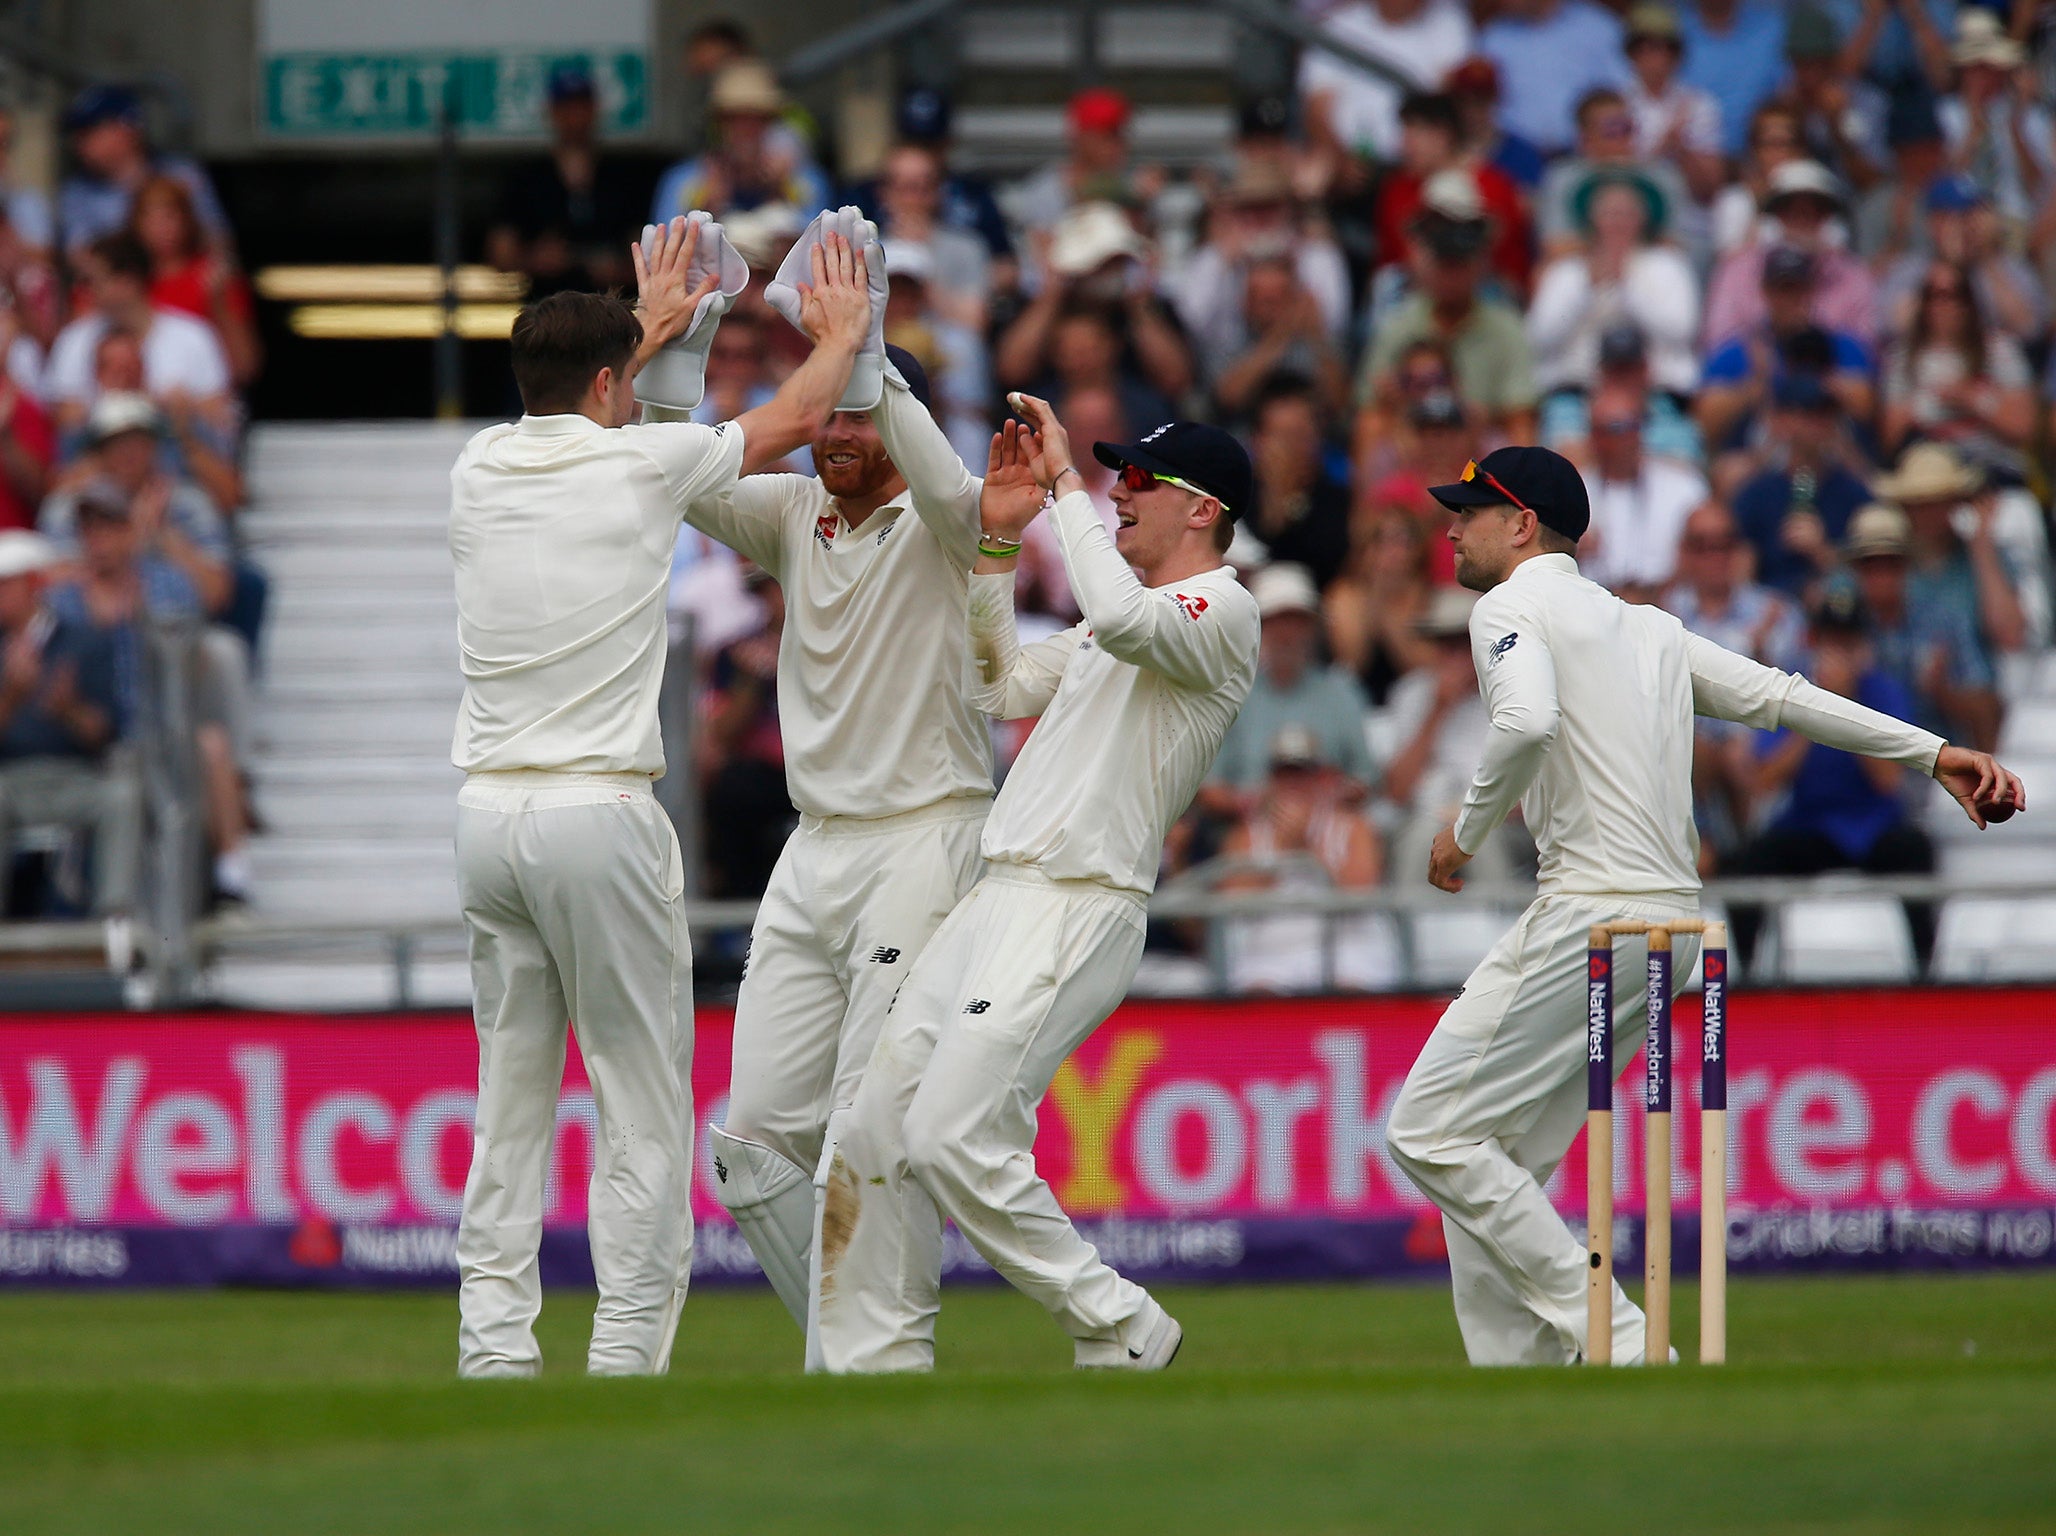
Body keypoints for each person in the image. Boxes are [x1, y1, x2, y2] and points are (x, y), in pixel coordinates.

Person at [1389, 442, 2021, 1367]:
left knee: (1427, 1131)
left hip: (1586, 914)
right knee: (1496, 1162)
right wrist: (1932, 752)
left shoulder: (1508, 606)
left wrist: (1463, 834)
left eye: (1469, 513)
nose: (1450, 527)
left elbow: (1525, 722)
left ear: (1521, 524)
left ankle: (1629, 1341)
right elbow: (1785, 696)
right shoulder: (1646, 629)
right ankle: (1519, 1375)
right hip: (1674, 929)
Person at [444, 217, 872, 1378]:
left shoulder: (476, 465)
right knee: (640, 1098)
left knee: (509, 1097)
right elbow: (792, 417)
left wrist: (640, 329)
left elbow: (582, 394)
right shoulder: (642, 463)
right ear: (606, 381)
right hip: (597, 813)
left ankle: (494, 1353)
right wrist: (836, 332)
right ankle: (626, 1354)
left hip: (486, 817)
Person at [812, 397, 1260, 1374]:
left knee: (953, 1137)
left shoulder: (1221, 611)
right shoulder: (1121, 624)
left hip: (1077, 904)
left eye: (1139, 482)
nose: (1117, 493)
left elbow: (1123, 615)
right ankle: (863, 1367)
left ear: (1202, 511)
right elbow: (999, 686)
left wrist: (1061, 489)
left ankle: (1122, 1325)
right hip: (996, 897)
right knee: (873, 1126)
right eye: (1111, 478)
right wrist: (998, 549)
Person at [669, 322, 1008, 1341]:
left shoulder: (953, 525)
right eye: (832, 412)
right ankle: (851, 1346)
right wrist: (670, 361)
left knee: (867, 1127)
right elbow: (674, 481)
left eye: (864, 411)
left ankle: (877, 1352)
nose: (841, 433)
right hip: (814, 848)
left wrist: (863, 348)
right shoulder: (794, 513)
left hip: (922, 838)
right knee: (748, 1149)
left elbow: (959, 499)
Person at [1724, 584, 1944, 970]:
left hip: (1874, 824)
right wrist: (1817, 713)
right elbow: (1766, 782)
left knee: (1916, 851)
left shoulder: (1883, 692)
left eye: (1848, 641)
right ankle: (1748, 970)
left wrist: (1849, 709)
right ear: (1814, 642)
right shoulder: (1791, 695)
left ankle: (1925, 970)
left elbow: (1888, 782)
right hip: (1813, 823)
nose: (1840, 651)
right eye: (1831, 641)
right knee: (1753, 860)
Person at [0, 528, 140, 925]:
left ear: (32, 585)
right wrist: (12, 694)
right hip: (8, 780)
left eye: (4, 586)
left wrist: (68, 709)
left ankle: (114, 920)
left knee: (122, 797)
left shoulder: (86, 641)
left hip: (74, 776)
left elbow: (105, 733)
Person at [1218, 724, 1394, 994]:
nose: (1293, 784)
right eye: (1284, 774)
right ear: (1271, 778)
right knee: (1258, 994)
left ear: (1319, 777)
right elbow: (1234, 903)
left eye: (1301, 774)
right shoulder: (1246, 835)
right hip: (1271, 952)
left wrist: (1308, 846)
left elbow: (1362, 894)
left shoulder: (1354, 827)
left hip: (1346, 944)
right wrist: (1283, 849)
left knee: (1351, 989)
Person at [1356, 191, 1539, 441]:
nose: (1451, 277)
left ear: (1480, 264)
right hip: (1413, 446)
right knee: (1372, 423)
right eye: (1444, 264)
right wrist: (1394, 401)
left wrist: (1474, 418)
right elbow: (1369, 403)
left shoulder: (1506, 328)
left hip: (1480, 448)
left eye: (1460, 264)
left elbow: (1521, 415)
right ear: (1423, 262)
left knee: (1520, 433)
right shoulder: (1398, 325)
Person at [1206, 562, 1377, 802]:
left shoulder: (1341, 690)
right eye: (1277, 622)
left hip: (1326, 824)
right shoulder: (1230, 694)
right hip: (1248, 827)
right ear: (1258, 628)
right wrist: (1254, 804)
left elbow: (1366, 777)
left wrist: (1324, 798)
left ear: (1312, 629)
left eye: (1297, 621)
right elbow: (1210, 787)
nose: (1287, 634)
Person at [486, 62, 653, 300]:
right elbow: (500, 254)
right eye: (566, 107)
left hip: (612, 312)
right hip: (548, 312)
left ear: (594, 108)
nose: (574, 116)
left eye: (581, 106)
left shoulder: (625, 177)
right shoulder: (526, 179)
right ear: (552, 111)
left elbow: (648, 252)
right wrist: (536, 259)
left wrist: (618, 267)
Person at [45, 233, 234, 442]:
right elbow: (63, 422)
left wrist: (180, 406)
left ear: (127, 281)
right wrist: (131, 404)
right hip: (99, 459)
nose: (81, 288)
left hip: (177, 458)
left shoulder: (194, 335)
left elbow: (220, 417)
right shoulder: (74, 339)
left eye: (90, 280)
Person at [1843, 501, 2002, 747]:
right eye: (1870, 566)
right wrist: (1851, 682)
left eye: (1891, 564)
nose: (1881, 577)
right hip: (1862, 762)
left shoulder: (1942, 621)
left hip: (1933, 758)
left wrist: (1942, 691)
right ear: (1855, 570)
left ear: (1907, 566)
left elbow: (1987, 710)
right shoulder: (1839, 623)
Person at [1528, 172, 1700, 400]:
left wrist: (1627, 286)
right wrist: (1587, 288)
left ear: (1643, 219)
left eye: (1627, 214)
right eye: (1609, 214)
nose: (1618, 223)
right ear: (1592, 219)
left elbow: (1681, 332)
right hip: (1575, 388)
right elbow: (1540, 337)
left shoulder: (1667, 265)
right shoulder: (1567, 271)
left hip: (1658, 391)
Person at [1696, 247, 1875, 453]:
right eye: (1782, 289)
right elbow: (1704, 424)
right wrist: (1756, 385)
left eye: (1797, 289)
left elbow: (1866, 407)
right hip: (1765, 460)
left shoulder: (1840, 345)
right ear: (1765, 291)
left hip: (1828, 455)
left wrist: (1818, 374)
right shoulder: (1742, 350)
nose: (1789, 299)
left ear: (1811, 291)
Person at [1703, 161, 1880, 351]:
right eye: (1790, 208)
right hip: (1755, 374)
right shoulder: (1739, 270)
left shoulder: (1853, 275)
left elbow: (1866, 350)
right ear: (1776, 213)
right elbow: (1717, 341)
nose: (1802, 215)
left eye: (1816, 208)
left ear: (1827, 216)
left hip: (1828, 374)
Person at [1729, 373, 1872, 597]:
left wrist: (1822, 552)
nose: (1818, 424)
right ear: (1781, 420)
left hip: (1838, 614)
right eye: (1807, 414)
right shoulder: (1757, 494)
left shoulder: (1853, 493)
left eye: (1825, 414)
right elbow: (1740, 577)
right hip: (1773, 610)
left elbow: (1876, 579)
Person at [1880, 257, 2036, 461]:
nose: (1940, 304)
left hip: (1992, 466)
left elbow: (2023, 428)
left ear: (1967, 301)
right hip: (1928, 471)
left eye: (1951, 295)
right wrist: (1926, 405)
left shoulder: (1999, 350)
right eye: (1931, 294)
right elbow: (1889, 438)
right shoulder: (1902, 357)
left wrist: (1972, 399)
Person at [57, 85, 230, 258]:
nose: (78, 143)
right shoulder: (77, 192)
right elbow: (79, 256)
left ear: (125, 128)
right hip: (119, 283)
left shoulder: (182, 173)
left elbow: (217, 237)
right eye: (77, 135)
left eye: (89, 132)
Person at [1298, 0, 1476, 164]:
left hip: (1418, 166)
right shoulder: (1338, 25)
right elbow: (1317, 111)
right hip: (1346, 164)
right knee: (1313, 174)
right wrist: (1341, 161)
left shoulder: (1449, 22)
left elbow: (1449, 103)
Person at [649, 64, 831, 224]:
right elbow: (664, 246)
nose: (744, 129)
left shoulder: (805, 179)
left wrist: (780, 192)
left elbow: (817, 246)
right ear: (717, 123)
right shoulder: (683, 180)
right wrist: (708, 206)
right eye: (732, 118)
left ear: (770, 121)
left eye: (755, 118)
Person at [126, 175, 260, 389]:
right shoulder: (126, 285)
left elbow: (245, 365)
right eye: (150, 217)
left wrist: (217, 303)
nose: (160, 228)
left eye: (169, 217)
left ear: (187, 220)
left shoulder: (214, 278)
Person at [1578, 384, 1708, 598]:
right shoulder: (1574, 490)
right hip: (1593, 604)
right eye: (1617, 428)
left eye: (1634, 425)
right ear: (1594, 436)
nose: (1628, 436)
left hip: (1670, 603)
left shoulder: (1684, 486)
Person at [1937, 9, 2051, 226]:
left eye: (1990, 68)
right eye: (1977, 69)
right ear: (1964, 71)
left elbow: (2039, 188)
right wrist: (1973, 132)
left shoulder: (2028, 115)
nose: (1985, 77)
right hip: (1962, 222)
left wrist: (2016, 129)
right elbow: (1941, 183)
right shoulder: (1945, 114)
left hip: (2018, 219)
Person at [1478, 0, 1630, 158]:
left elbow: (1621, 92)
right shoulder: (1495, 36)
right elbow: (1481, 101)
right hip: (1514, 154)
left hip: (1584, 154)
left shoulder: (1598, 27)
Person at [1243, 381, 1352, 588]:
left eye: (1302, 435)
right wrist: (1275, 497)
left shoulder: (1334, 498)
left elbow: (1327, 565)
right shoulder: (1237, 498)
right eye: (1285, 437)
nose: (1295, 447)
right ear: (1258, 442)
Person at [1622, 4, 1726, 212]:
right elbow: (1615, 179)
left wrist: (1682, 150)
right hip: (1632, 217)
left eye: (1661, 48)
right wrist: (1661, 147)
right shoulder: (1617, 105)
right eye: (1643, 48)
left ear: (1676, 54)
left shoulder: (1699, 106)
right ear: (1631, 54)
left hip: (1688, 216)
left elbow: (1711, 187)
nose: (1653, 58)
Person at [1676, 0, 1791, 159]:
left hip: (1759, 158)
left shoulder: (1771, 26)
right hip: (1688, 162)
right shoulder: (1673, 27)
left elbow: (1787, 93)